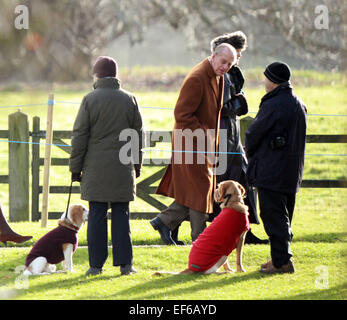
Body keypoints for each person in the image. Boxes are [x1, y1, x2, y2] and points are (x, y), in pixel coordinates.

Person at [172, 31, 268, 245]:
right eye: (237, 53)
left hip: (229, 136)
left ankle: (243, 226)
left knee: (240, 180)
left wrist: (238, 104)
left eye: (238, 56)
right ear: (216, 55)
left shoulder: (229, 71)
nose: (236, 60)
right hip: (217, 136)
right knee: (212, 185)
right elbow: (211, 108)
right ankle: (178, 226)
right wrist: (233, 106)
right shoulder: (210, 75)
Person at [150, 43, 237, 244]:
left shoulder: (219, 76)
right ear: (213, 56)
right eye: (223, 61)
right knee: (201, 189)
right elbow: (181, 114)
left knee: (197, 190)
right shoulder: (197, 78)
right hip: (190, 144)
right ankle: (199, 236)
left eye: (230, 64)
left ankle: (164, 221)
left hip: (204, 146)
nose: (225, 67)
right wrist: (205, 137)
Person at [69, 56, 144, 276]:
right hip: (123, 166)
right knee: (122, 215)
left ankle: (95, 266)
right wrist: (136, 164)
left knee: (97, 216)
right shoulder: (130, 99)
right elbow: (137, 136)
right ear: (116, 75)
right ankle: (125, 265)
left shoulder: (89, 100)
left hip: (95, 168)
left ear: (97, 75)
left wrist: (75, 167)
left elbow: (80, 136)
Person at [245, 62, 307, 274]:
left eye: (266, 78)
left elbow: (254, 133)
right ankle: (278, 257)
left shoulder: (274, 104)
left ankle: (282, 263)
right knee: (284, 216)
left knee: (273, 216)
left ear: (272, 80)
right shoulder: (297, 103)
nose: (264, 81)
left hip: (272, 170)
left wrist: (251, 153)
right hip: (291, 171)